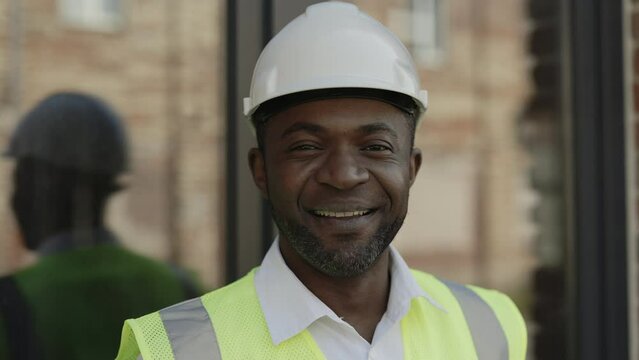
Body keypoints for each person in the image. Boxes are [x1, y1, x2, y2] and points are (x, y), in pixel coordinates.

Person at [116, 2, 527, 359]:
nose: (343, 176)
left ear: (411, 168)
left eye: (376, 147)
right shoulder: (176, 351)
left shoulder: (491, 325)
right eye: (306, 147)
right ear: (261, 171)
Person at [0, 92, 201, 360]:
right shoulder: (183, 291)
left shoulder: (11, 303)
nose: (13, 199)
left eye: (21, 179)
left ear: (40, 185)